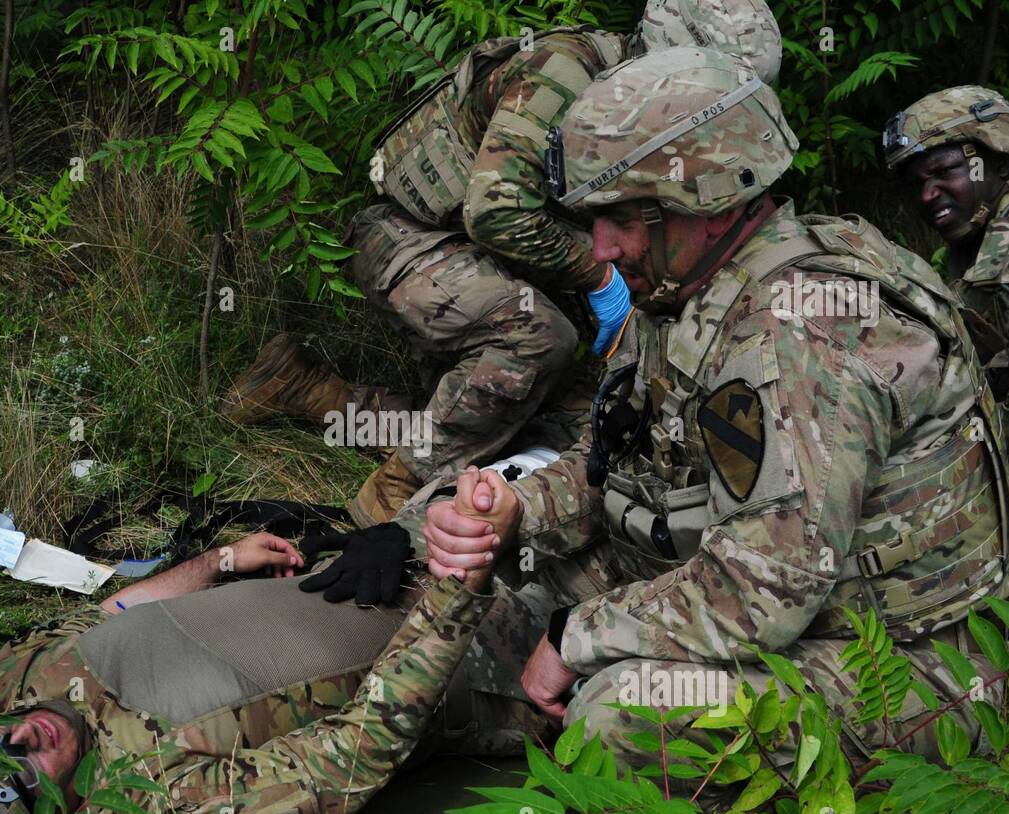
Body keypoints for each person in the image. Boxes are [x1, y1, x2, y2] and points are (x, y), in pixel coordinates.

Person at [418, 47, 1009, 772]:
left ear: (707, 204)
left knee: (619, 713)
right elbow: (624, 454)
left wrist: (577, 635)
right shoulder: (686, 288)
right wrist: (521, 508)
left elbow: (765, 587)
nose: (601, 247)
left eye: (620, 219)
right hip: (785, 606)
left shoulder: (799, 329)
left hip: (916, 667)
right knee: (456, 616)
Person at [222, 0, 784, 526]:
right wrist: (600, 277)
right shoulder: (565, 75)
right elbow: (495, 210)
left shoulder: (648, 116)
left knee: (539, 418)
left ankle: (305, 388)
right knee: (537, 338)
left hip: (500, 254)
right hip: (408, 237)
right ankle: (389, 499)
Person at [0, 477, 521, 814]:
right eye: (19, 772)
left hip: (366, 568)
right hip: (479, 651)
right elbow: (363, 741)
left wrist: (222, 560)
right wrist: (460, 587)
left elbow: (113, 611)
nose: (20, 735)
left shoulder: (8, 682)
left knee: (515, 473)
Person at [883, 86, 1009, 540]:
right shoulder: (968, 254)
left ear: (999, 160)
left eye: (945, 171)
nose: (928, 195)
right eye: (918, 184)